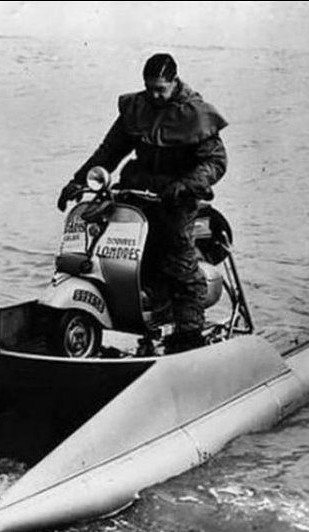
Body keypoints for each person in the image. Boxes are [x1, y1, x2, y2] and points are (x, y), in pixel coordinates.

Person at [56, 52, 229, 353]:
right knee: (115, 250)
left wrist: (187, 184)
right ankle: (137, 313)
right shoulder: (138, 106)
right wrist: (79, 180)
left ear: (174, 82)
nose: (154, 95)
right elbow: (110, 150)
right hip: (138, 190)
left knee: (178, 261)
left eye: (160, 89)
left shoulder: (194, 113)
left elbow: (215, 162)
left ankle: (189, 335)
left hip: (176, 197)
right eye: (149, 88)